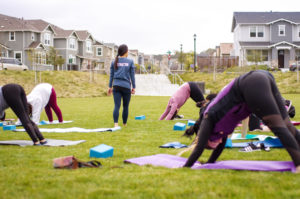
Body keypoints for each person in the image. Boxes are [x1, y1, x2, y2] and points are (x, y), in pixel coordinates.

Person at [183, 70, 300, 173]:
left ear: (207, 138)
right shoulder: (221, 130)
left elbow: (199, 148)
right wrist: (209, 163)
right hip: (261, 78)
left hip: (251, 83)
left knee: (278, 127)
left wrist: (185, 167)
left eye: (213, 142)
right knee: (286, 125)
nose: (219, 142)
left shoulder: (208, 118)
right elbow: (220, 147)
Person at [107, 44, 136, 127]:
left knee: (117, 106)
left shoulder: (114, 62)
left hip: (116, 86)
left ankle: (116, 124)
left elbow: (111, 76)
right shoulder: (130, 62)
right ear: (126, 52)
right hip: (126, 87)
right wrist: (134, 87)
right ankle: (124, 124)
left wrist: (109, 87)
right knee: (125, 106)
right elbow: (132, 76)